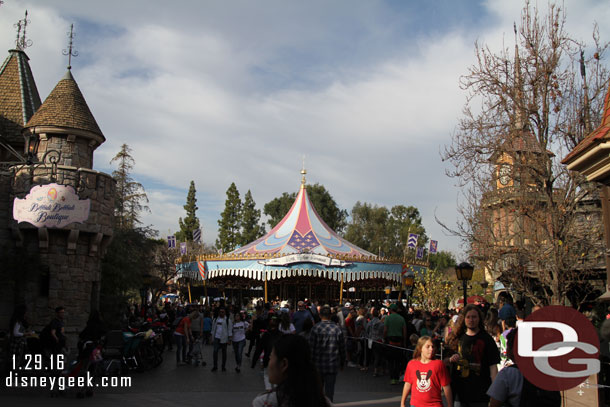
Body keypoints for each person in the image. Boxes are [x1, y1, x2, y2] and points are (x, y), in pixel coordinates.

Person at [252, 334, 330, 407]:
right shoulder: (320, 399)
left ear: (284, 364)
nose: (269, 363)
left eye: (270, 358)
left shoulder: (264, 403)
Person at [445, 304, 500, 407]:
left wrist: (495, 392)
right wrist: (451, 359)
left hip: (481, 394)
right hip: (459, 393)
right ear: (464, 319)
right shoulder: (456, 339)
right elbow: (445, 362)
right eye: (468, 317)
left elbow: (493, 368)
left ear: (479, 319)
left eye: (474, 317)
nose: (471, 320)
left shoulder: (487, 339)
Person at [401, 336, 452, 407]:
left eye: (432, 347)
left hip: (434, 405)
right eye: (427, 347)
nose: (431, 349)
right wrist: (402, 403)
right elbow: (407, 384)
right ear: (420, 348)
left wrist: (450, 404)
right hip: (415, 405)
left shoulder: (439, 364)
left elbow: (446, 386)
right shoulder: (411, 364)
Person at [309, 305, 346, 402]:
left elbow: (311, 348)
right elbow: (342, 348)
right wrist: (342, 362)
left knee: (318, 391)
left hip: (317, 365)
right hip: (332, 365)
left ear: (320, 315)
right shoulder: (337, 329)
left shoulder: (315, 328)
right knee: (329, 392)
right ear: (330, 315)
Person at [383, 303, 406, 385]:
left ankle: (392, 377)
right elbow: (404, 331)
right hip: (399, 341)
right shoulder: (401, 318)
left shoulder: (387, 318)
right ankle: (396, 377)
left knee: (390, 360)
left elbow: (385, 330)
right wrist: (404, 341)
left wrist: (384, 338)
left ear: (391, 310)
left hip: (390, 340)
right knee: (397, 360)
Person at [211, 307, 233, 372]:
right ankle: (215, 366)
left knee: (224, 353)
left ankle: (223, 367)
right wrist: (211, 337)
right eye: (220, 312)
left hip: (224, 338)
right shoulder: (215, 320)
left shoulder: (228, 320)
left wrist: (229, 339)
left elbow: (229, 330)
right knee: (215, 352)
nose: (221, 313)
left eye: (223, 312)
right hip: (216, 338)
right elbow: (213, 329)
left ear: (225, 313)